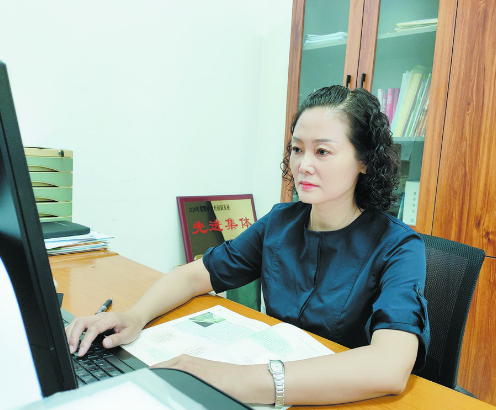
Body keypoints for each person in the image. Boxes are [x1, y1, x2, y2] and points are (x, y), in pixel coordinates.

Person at [65, 85, 429, 406]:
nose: (303, 165)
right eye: (297, 149)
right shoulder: (281, 222)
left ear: (363, 160)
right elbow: (195, 275)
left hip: (344, 399)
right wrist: (135, 316)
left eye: (322, 152)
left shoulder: (399, 246)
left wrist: (238, 380)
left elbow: (389, 367)